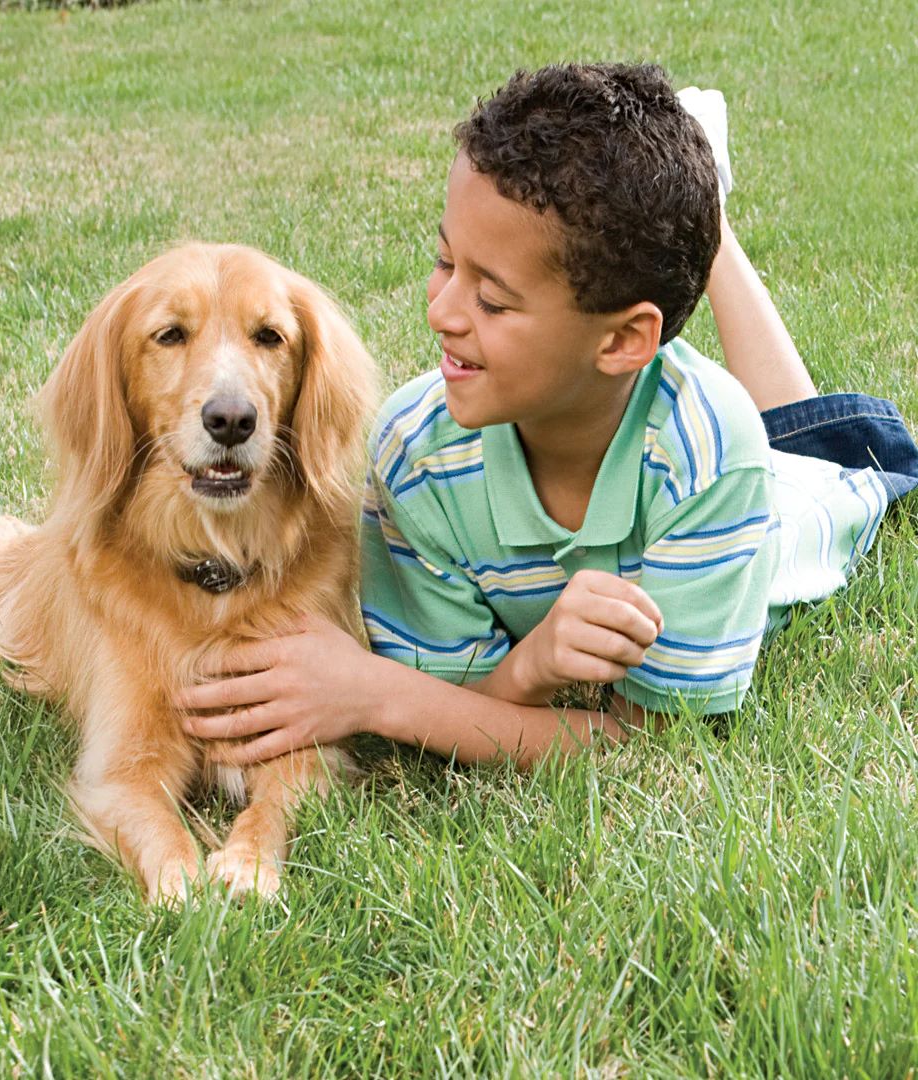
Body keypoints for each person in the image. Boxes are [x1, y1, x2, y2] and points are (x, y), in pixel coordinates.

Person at [176, 64, 918, 769]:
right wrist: (530, 664)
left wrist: (374, 696)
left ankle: (707, 217)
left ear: (624, 340)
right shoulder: (414, 456)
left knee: (818, 438)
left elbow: (656, 744)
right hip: (651, 404)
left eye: (491, 300)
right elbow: (459, 702)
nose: (440, 311)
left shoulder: (714, 457)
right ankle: (688, 206)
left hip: (806, 495)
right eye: (445, 263)